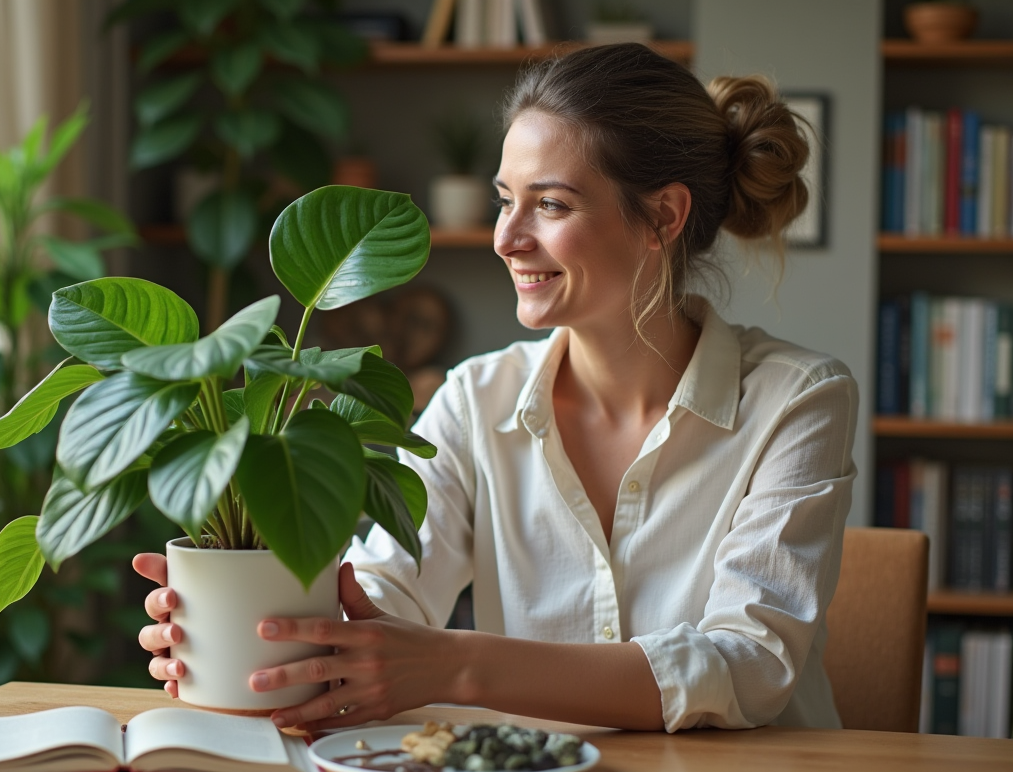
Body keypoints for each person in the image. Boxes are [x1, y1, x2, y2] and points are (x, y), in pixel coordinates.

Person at [132, 43, 857, 734]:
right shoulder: (476, 397)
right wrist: (255, 623)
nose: (505, 238)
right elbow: (388, 591)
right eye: (505, 199)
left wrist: (457, 665)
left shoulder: (797, 400)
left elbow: (749, 664)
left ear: (662, 217)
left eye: (550, 205)